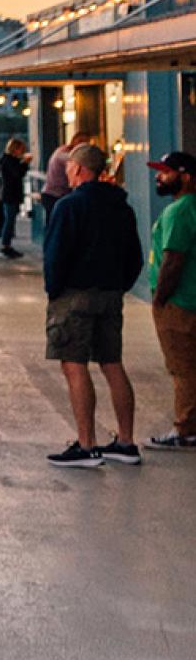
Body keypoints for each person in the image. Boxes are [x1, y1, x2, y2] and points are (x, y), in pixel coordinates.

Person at [40, 143, 144, 467]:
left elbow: (55, 255)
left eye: (70, 167)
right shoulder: (121, 207)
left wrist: (54, 291)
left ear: (80, 169)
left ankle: (87, 445)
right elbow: (135, 257)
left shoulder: (69, 206)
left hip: (75, 295)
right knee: (112, 363)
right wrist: (118, 285)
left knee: (74, 364)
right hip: (110, 294)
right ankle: (126, 441)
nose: (67, 172)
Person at [145, 151, 196, 451]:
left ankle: (185, 429)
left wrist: (160, 297)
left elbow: (173, 258)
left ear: (185, 176)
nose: (158, 177)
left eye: (165, 172)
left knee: (182, 368)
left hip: (179, 302)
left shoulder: (179, 211)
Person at [39, 133, 89, 242]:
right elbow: (78, 164)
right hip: (54, 194)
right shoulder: (64, 155)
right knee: (55, 226)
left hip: (53, 194)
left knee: (54, 225)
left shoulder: (61, 151)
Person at [0, 137, 31, 260]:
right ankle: (5, 246)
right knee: (9, 220)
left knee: (10, 220)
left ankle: (7, 245)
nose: (21, 152)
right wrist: (25, 163)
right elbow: (17, 174)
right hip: (10, 194)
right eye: (20, 149)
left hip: (10, 194)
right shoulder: (9, 161)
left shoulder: (7, 160)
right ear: (15, 149)